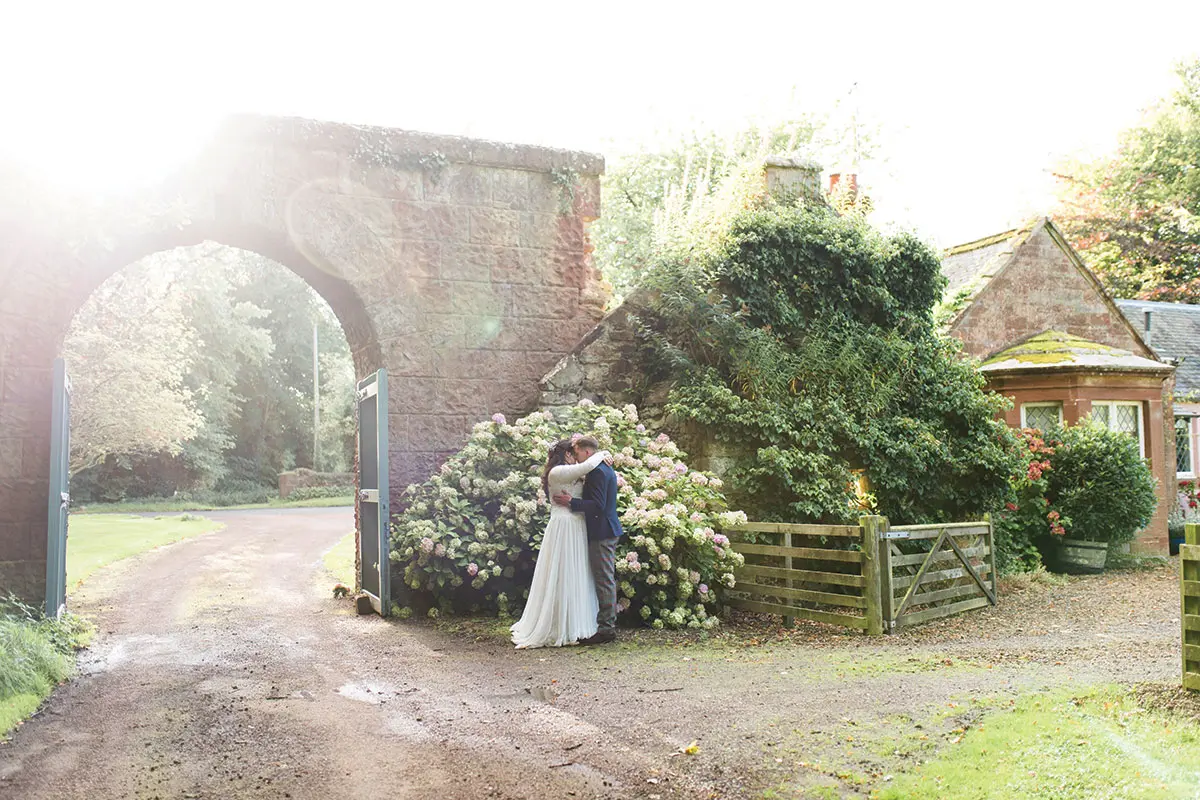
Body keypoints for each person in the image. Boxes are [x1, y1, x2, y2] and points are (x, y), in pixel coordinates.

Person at [510, 438, 610, 649]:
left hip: (577, 524)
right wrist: (602, 454)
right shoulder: (558, 472)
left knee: (577, 572)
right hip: (564, 526)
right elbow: (587, 465)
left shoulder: (571, 470)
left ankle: (576, 620)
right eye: (573, 453)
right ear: (566, 454)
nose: (575, 456)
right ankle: (559, 623)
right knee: (562, 571)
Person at [553, 435, 624, 645]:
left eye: (576, 453)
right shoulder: (600, 468)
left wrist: (571, 502)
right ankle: (604, 625)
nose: (575, 459)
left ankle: (606, 629)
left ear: (586, 452)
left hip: (603, 531)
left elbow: (598, 504)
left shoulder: (598, 472)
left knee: (604, 579)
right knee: (604, 578)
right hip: (604, 530)